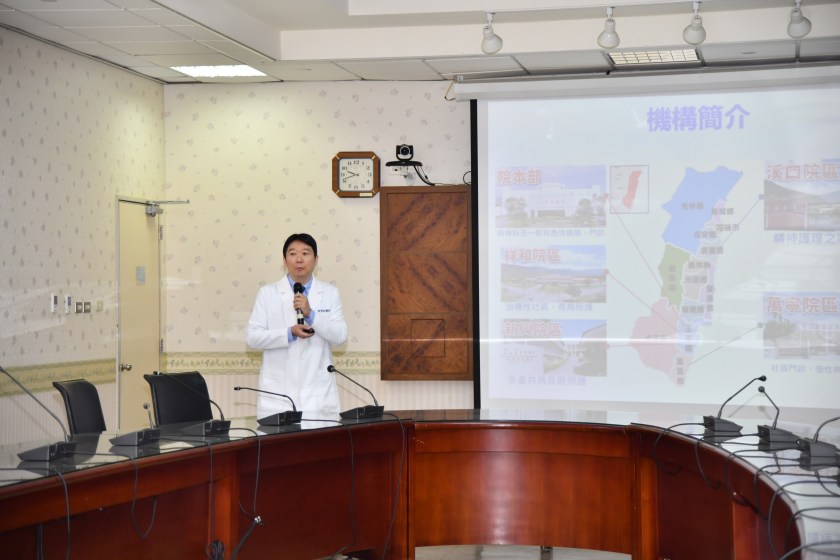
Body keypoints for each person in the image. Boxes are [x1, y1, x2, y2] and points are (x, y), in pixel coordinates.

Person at [246, 233, 347, 418]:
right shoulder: (267, 293)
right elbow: (253, 338)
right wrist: (289, 333)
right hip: (279, 393)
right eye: (292, 254)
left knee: (321, 438)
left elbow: (340, 336)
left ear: (316, 260)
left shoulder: (330, 293)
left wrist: (311, 315)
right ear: (284, 260)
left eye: (305, 253)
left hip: (318, 394)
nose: (299, 259)